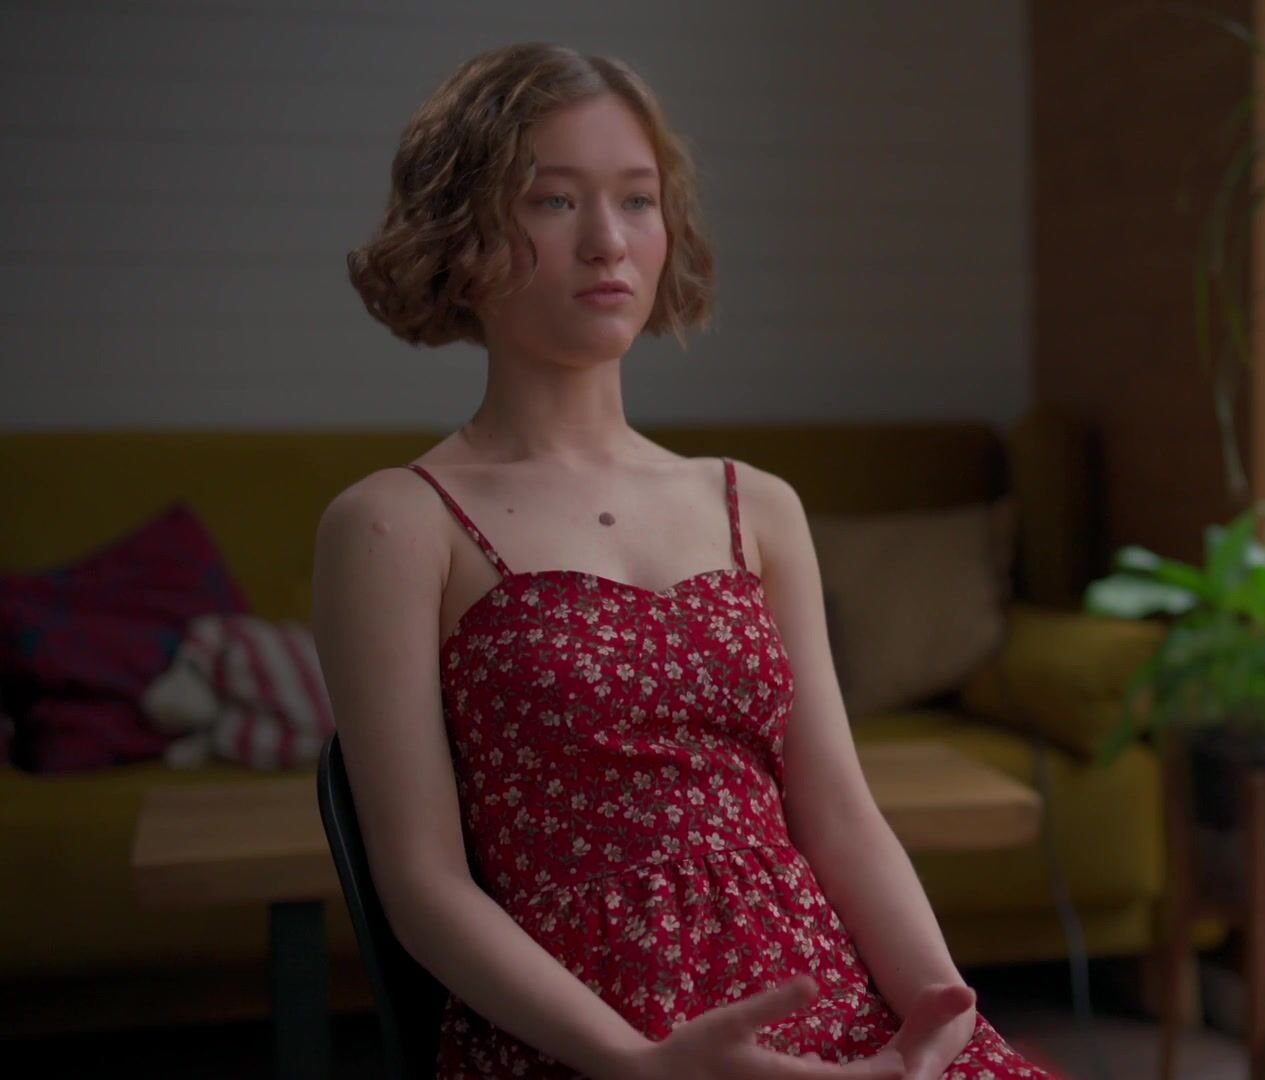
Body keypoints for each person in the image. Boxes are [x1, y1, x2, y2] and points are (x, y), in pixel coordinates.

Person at [312, 42, 1057, 1080]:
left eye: (638, 200)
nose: (608, 241)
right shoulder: (394, 524)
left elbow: (839, 814)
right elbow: (423, 886)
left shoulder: (756, 505)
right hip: (588, 1040)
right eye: (554, 201)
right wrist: (636, 1061)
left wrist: (940, 1017)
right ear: (460, 231)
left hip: (829, 1003)